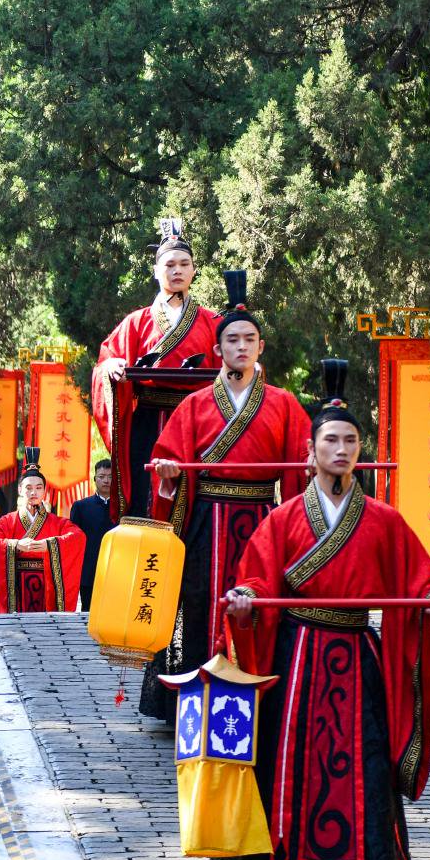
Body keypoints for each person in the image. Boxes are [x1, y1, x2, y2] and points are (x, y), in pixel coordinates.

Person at [219, 360, 430, 860]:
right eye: (332, 440)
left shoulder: (382, 521)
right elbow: (256, 576)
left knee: (366, 767)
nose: (342, 449)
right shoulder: (281, 520)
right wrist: (245, 599)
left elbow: (417, 579)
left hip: (357, 655)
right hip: (297, 654)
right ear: (312, 449)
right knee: (294, 763)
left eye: (351, 441)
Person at [140, 273, 312, 727]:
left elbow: (300, 468)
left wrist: (312, 475)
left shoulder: (284, 404)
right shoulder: (195, 404)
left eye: (249, 339)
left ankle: (257, 699)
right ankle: (191, 703)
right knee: (198, 603)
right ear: (218, 350)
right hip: (205, 522)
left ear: (260, 348)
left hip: (260, 520)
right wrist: (169, 475)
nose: (241, 346)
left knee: (257, 604)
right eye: (231, 339)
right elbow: (167, 458)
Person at [92, 217, 222, 520]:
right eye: (169, 264)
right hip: (148, 421)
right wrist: (110, 367)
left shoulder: (213, 322)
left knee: (196, 497)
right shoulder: (136, 322)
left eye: (184, 264)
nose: (177, 270)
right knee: (145, 497)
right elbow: (105, 360)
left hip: (197, 422)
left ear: (193, 270)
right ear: (155, 271)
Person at [0, 452, 87, 613]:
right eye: (28, 488)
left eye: (39, 488)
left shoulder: (57, 522)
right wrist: (16, 545)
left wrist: (49, 545)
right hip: (17, 586)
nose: (34, 493)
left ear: (44, 490)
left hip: (47, 585)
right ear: (20, 489)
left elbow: (78, 537)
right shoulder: (7, 521)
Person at [69, 458, 118, 607]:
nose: (106, 481)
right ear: (94, 479)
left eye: (110, 477)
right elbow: (73, 542)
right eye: (102, 477)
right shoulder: (81, 507)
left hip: (117, 570)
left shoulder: (123, 507)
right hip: (88, 571)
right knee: (88, 612)